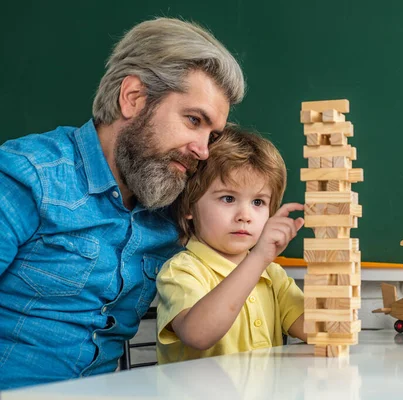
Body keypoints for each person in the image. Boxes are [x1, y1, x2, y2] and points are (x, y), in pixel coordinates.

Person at [0, 17, 245, 390]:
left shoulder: (175, 206)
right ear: (133, 98)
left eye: (212, 134)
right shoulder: (28, 175)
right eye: (193, 120)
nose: (203, 150)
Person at [156, 125, 306, 364]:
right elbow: (197, 335)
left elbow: (316, 329)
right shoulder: (182, 271)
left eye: (258, 201)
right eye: (228, 198)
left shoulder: (273, 276)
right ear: (188, 208)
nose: (245, 215)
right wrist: (257, 259)